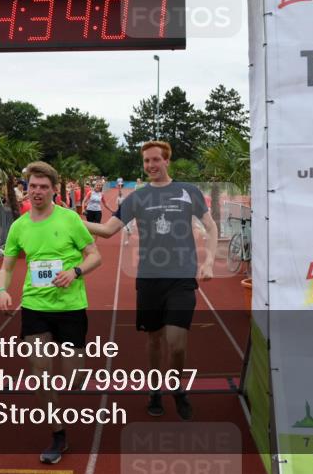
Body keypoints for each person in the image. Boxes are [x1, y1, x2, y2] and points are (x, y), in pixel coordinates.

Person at [85, 140, 217, 420]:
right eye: (146, 161)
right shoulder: (137, 197)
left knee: (177, 342)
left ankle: (178, 388)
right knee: (155, 339)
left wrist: (208, 261)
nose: (151, 165)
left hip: (181, 278)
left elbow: (211, 226)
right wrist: (71, 220)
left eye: (156, 160)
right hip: (149, 278)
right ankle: (155, 390)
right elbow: (108, 230)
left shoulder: (188, 191)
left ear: (167, 161)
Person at [0, 161, 102, 464]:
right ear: (27, 190)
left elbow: (95, 256)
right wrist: (2, 291)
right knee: (40, 372)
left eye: (44, 187)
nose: (38, 191)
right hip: (35, 306)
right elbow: (5, 269)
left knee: (73, 378)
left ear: (54, 190)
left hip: (70, 307)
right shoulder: (19, 226)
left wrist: (75, 272)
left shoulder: (70, 219)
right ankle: (58, 433)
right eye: (33, 186)